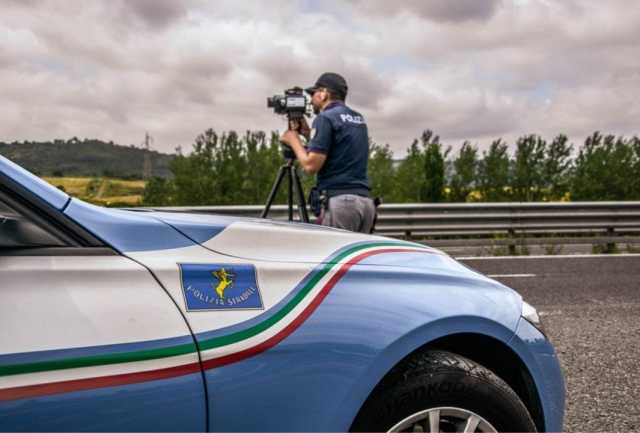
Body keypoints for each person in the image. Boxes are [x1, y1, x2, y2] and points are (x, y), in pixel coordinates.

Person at [280, 72, 376, 233]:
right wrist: (308, 134)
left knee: (334, 258)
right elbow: (339, 148)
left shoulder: (325, 118)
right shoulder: (357, 118)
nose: (311, 99)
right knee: (353, 259)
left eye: (313, 93)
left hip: (342, 204)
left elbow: (311, 166)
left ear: (324, 93)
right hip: (365, 203)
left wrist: (293, 139)